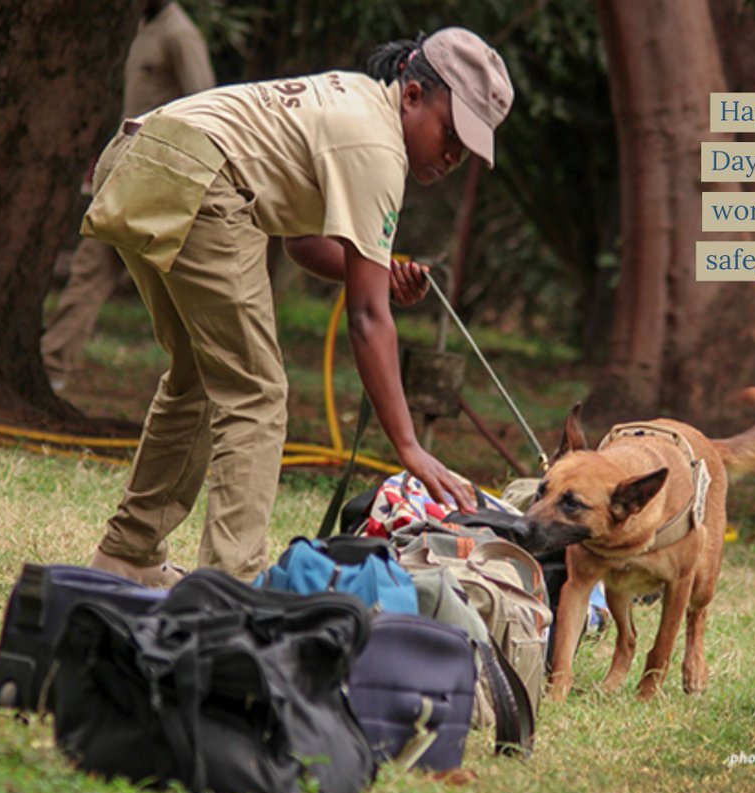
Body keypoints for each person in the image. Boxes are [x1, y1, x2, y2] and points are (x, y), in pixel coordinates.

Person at [83, 27, 514, 586]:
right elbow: (365, 319)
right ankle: (230, 589)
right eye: (451, 132)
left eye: (468, 149)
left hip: (141, 157)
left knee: (198, 375)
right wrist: (409, 446)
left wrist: (380, 281)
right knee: (256, 392)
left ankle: (128, 555)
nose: (453, 155)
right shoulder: (379, 150)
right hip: (199, 177)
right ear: (412, 95)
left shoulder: (354, 99)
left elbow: (302, 243)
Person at [41, 0, 215, 392]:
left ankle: (53, 366)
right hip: (126, 168)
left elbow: (205, 106)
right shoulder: (144, 28)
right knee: (96, 269)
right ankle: (52, 367)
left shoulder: (180, 34)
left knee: (100, 270)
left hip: (159, 177)